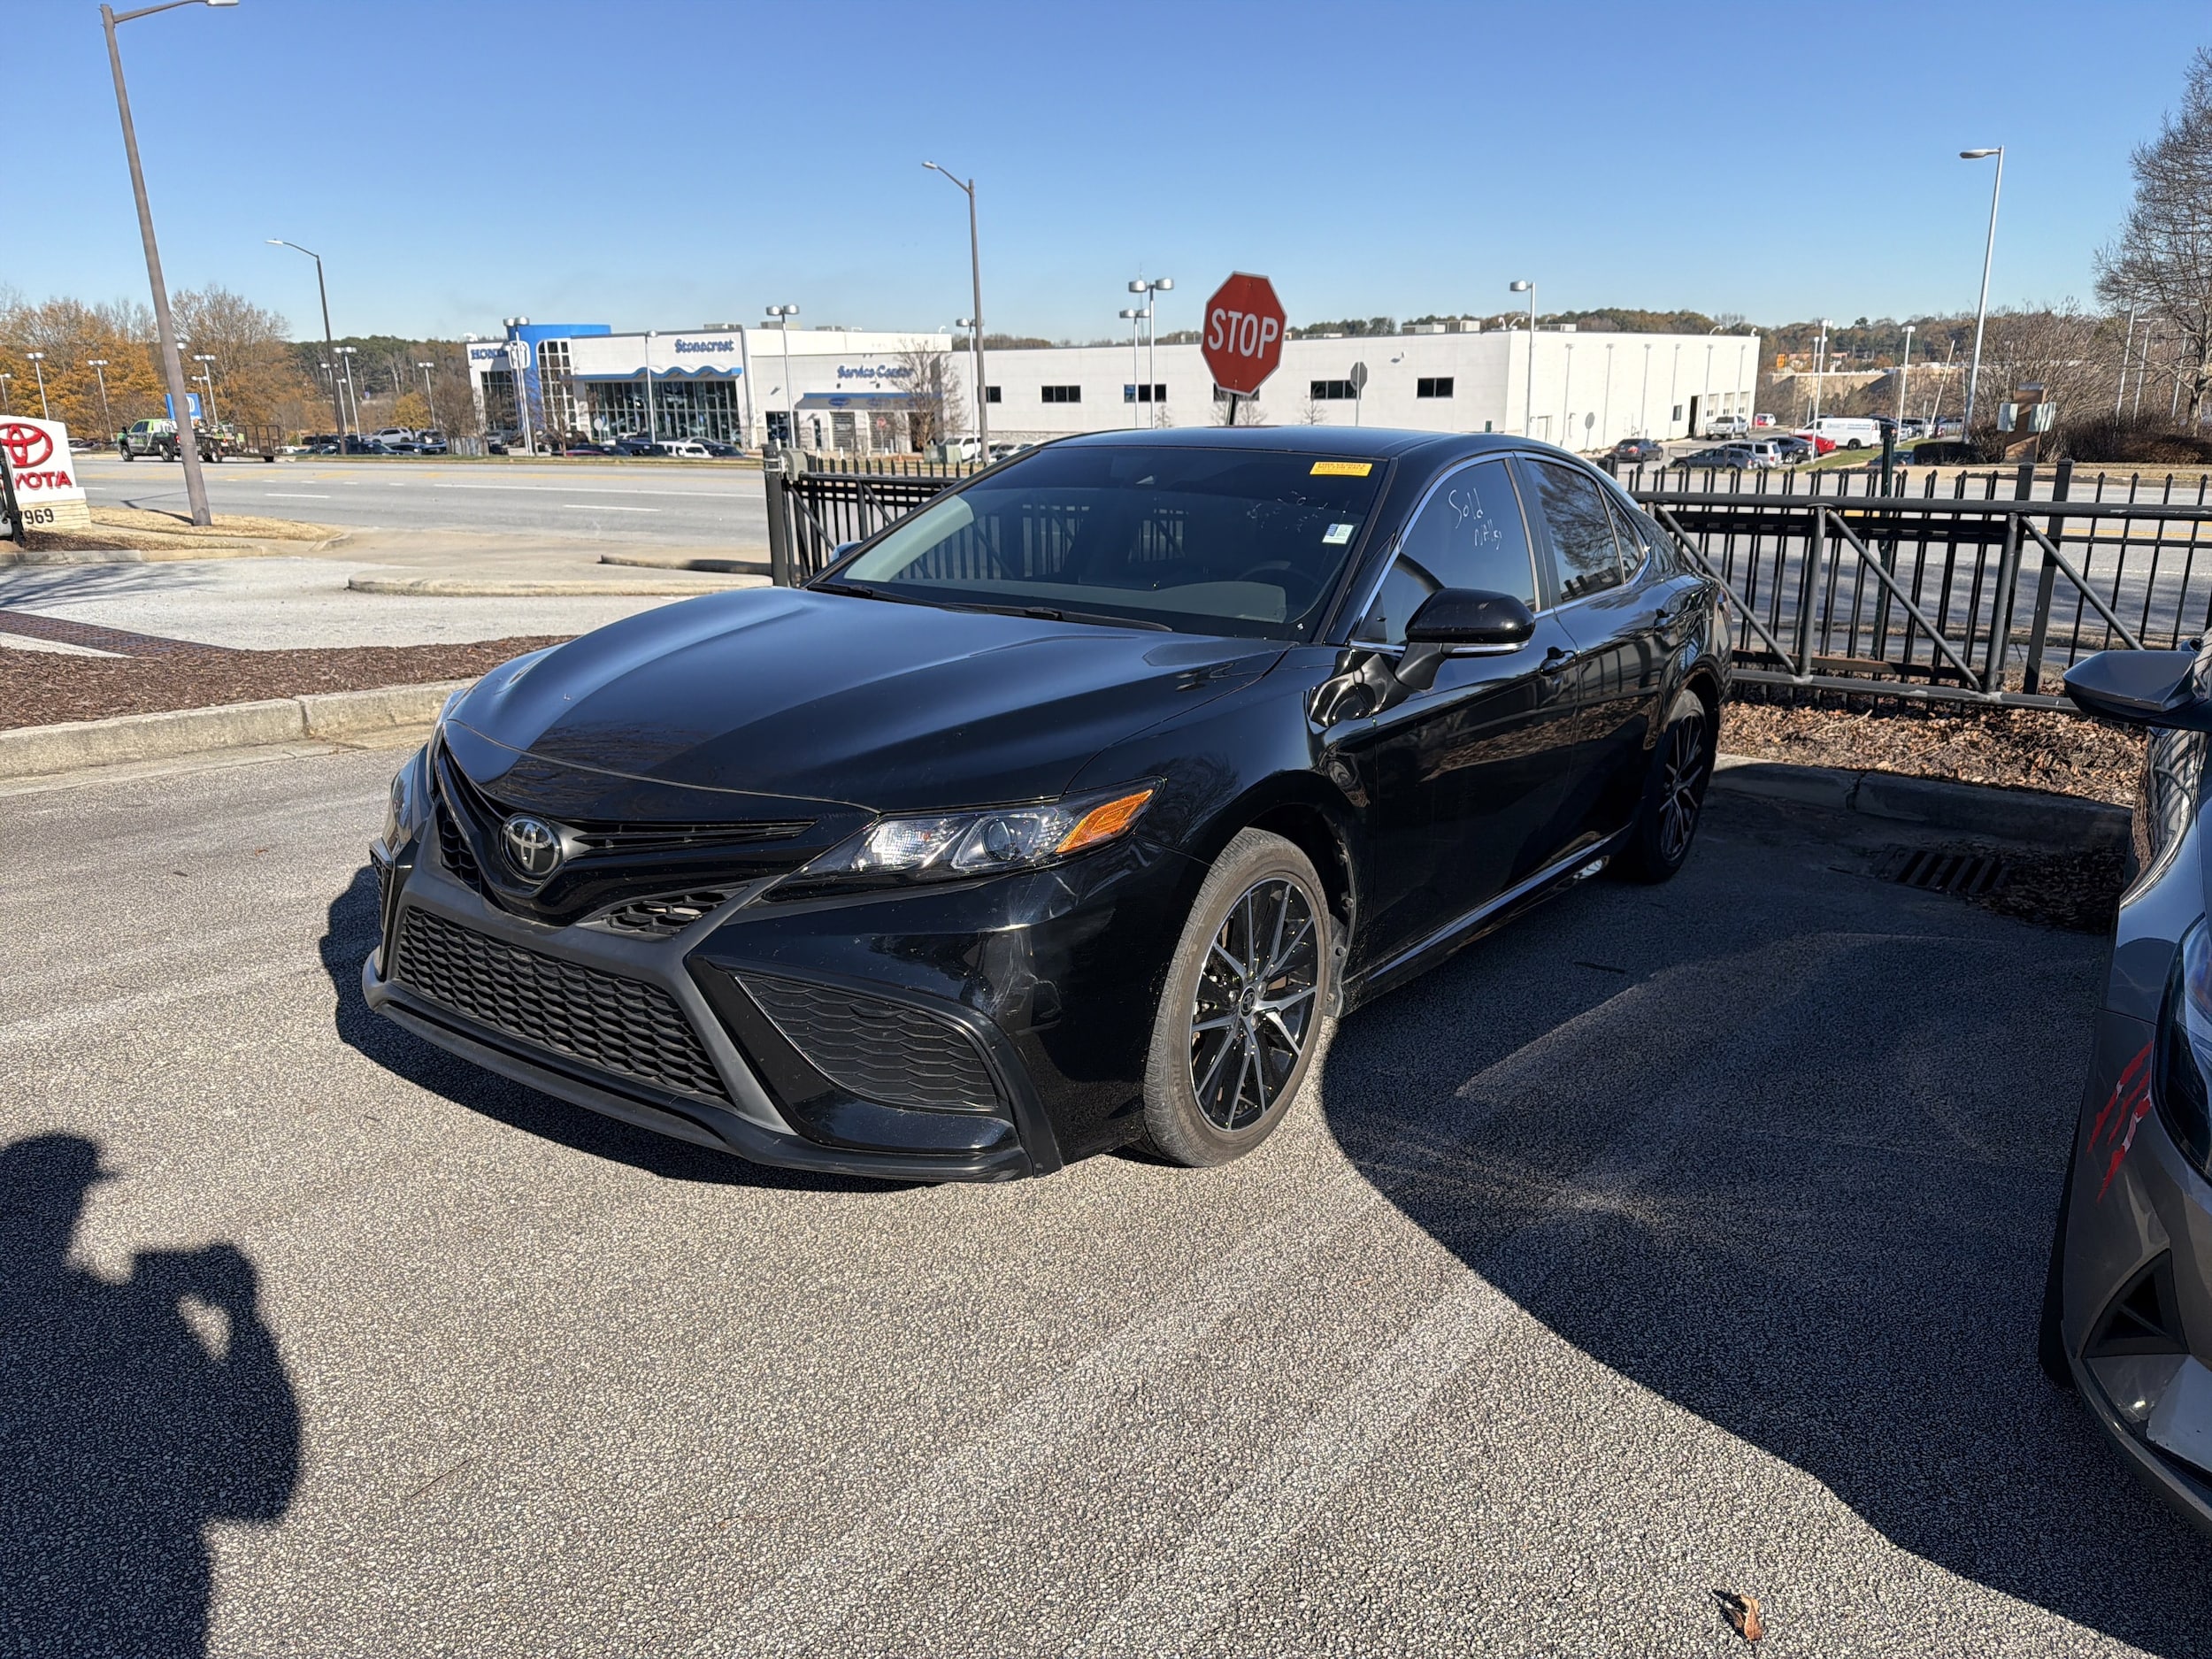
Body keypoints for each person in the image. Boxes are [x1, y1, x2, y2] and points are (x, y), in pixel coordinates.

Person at [0, 1134, 299, 1656]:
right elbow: (259, 1494)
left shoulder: (75, 1299)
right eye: (79, 1190)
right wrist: (241, 1312)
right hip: (152, 1583)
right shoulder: (95, 1302)